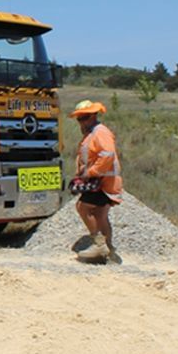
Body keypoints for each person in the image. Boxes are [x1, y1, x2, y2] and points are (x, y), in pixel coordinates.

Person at [69, 99, 123, 264]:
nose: (81, 122)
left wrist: (91, 172)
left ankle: (99, 244)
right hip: (103, 181)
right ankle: (109, 253)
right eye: (79, 119)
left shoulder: (100, 133)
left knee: (82, 207)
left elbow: (107, 154)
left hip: (102, 181)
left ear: (93, 116)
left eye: (84, 118)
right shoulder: (91, 134)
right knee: (100, 215)